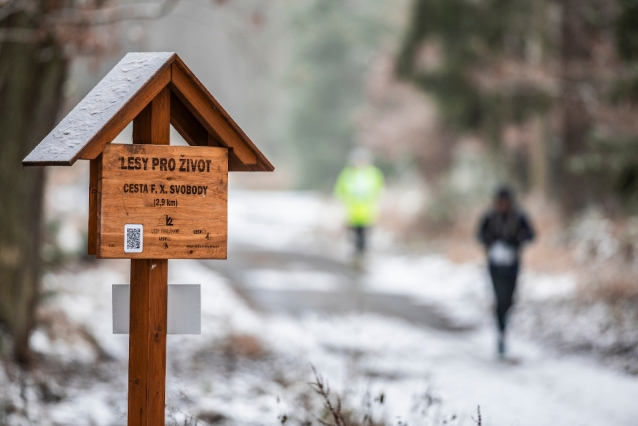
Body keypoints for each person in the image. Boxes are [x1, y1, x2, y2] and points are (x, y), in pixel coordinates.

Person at [477, 187, 535, 358]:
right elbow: (480, 235)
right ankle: (500, 333)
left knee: (509, 300)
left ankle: (504, 327)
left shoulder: (518, 217)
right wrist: (491, 243)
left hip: (512, 265)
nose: (502, 205)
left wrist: (515, 243)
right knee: (499, 298)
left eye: (505, 202)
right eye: (499, 202)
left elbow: (530, 234)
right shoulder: (490, 217)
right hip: (495, 265)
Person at [334, 148, 384, 261]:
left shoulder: (374, 173)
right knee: (355, 235)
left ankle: (362, 255)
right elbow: (340, 190)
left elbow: (379, 190)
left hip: (368, 211)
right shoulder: (347, 174)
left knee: (365, 235)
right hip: (352, 211)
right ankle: (357, 255)